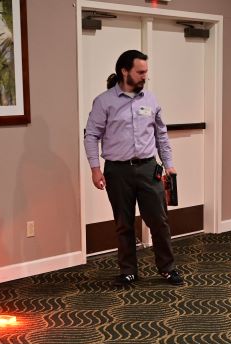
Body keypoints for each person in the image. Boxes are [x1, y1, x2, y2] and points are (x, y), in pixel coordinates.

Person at [84, 50, 183, 287]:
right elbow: (91, 136)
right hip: (117, 171)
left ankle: (168, 269)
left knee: (159, 221)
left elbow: (161, 135)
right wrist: (95, 169)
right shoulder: (104, 101)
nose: (144, 77)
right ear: (124, 71)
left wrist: (168, 165)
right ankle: (128, 271)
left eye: (146, 72)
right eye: (140, 72)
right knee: (123, 223)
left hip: (149, 168)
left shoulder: (151, 100)